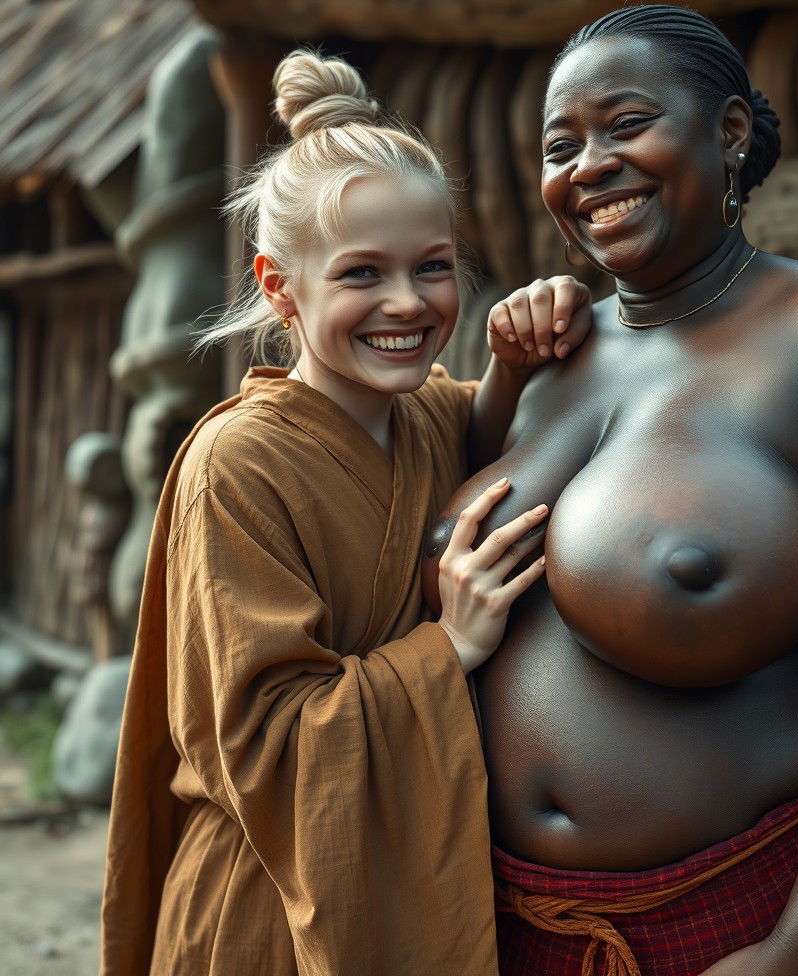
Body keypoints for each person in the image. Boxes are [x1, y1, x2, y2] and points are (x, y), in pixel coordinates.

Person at [422, 5, 798, 976]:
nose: (589, 165)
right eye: (561, 146)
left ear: (727, 132)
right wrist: (507, 373)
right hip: (513, 928)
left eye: (626, 124)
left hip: (751, 917)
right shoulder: (556, 350)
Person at [100, 49, 593, 976]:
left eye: (432, 267)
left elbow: (486, 444)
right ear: (279, 286)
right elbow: (266, 744)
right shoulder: (236, 466)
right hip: (263, 914)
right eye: (362, 274)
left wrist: (527, 347)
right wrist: (448, 648)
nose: (407, 303)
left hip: (404, 882)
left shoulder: (430, 414)